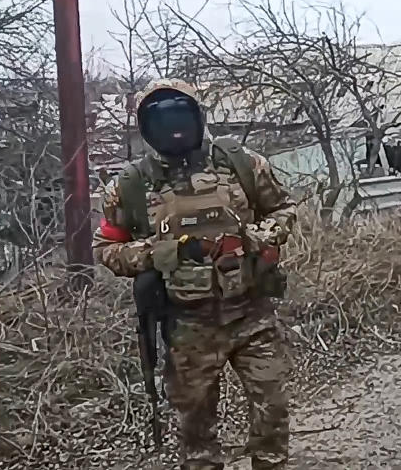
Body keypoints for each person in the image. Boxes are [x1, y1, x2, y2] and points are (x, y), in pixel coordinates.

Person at [92, 79, 296, 470]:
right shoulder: (131, 186)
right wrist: (165, 251)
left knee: (272, 412)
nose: (174, 127)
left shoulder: (241, 163)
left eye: (181, 115)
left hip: (252, 313)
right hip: (187, 325)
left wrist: (257, 237)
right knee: (197, 433)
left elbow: (283, 209)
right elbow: (106, 249)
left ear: (198, 116)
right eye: (161, 119)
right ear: (146, 126)